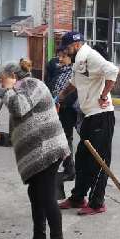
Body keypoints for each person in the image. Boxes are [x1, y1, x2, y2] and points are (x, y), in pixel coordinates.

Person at [0, 61, 72, 239]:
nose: (0, 84)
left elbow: (19, 108)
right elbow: (21, 134)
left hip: (48, 149)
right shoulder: (18, 92)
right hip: (37, 153)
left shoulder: (32, 85)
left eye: (2, 79)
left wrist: (7, 89)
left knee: (47, 195)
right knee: (36, 193)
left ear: (13, 75)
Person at [57, 32, 119, 216]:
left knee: (99, 161)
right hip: (89, 116)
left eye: (66, 48)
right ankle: (78, 197)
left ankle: (97, 202)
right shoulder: (79, 60)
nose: (65, 52)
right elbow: (74, 83)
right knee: (83, 158)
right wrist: (59, 97)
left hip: (102, 115)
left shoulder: (90, 55)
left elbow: (112, 71)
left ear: (76, 45)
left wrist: (103, 95)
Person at [52, 48, 77, 181]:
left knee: (65, 139)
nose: (60, 59)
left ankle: (70, 169)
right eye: (59, 56)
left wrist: (61, 103)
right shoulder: (61, 70)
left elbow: (72, 92)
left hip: (67, 110)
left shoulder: (73, 72)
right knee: (62, 139)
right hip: (59, 108)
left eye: (63, 56)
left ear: (71, 57)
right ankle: (68, 167)